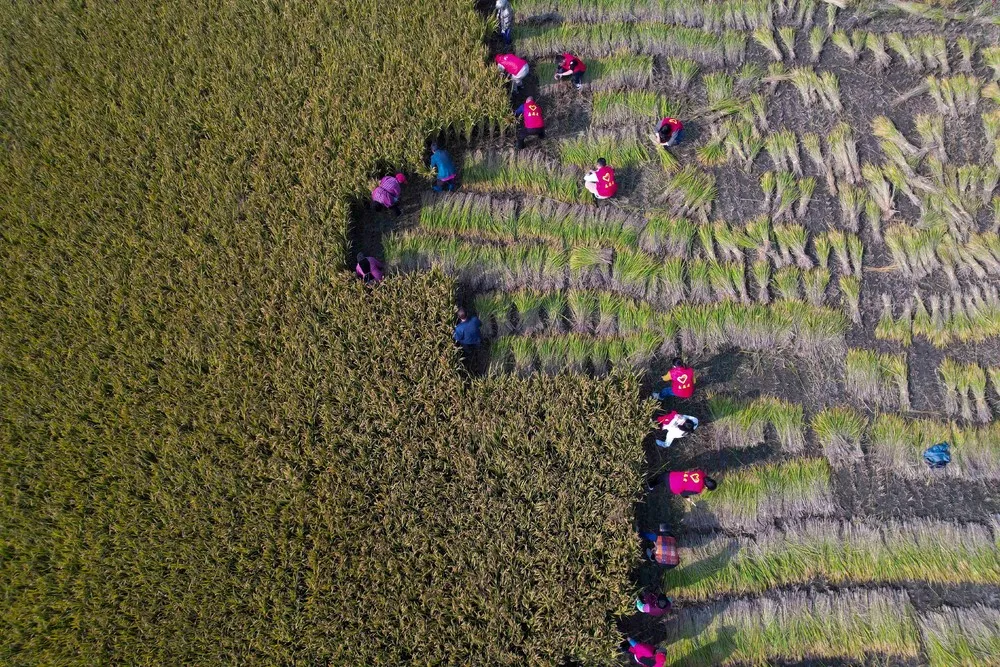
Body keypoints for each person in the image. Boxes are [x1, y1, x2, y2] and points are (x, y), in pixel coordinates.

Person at [646, 470, 717, 496]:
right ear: (707, 487)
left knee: (663, 477)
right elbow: (683, 493)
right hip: (671, 488)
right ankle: (649, 489)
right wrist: (687, 497)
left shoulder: (700, 473)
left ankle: (650, 484)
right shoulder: (698, 489)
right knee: (672, 489)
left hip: (669, 475)